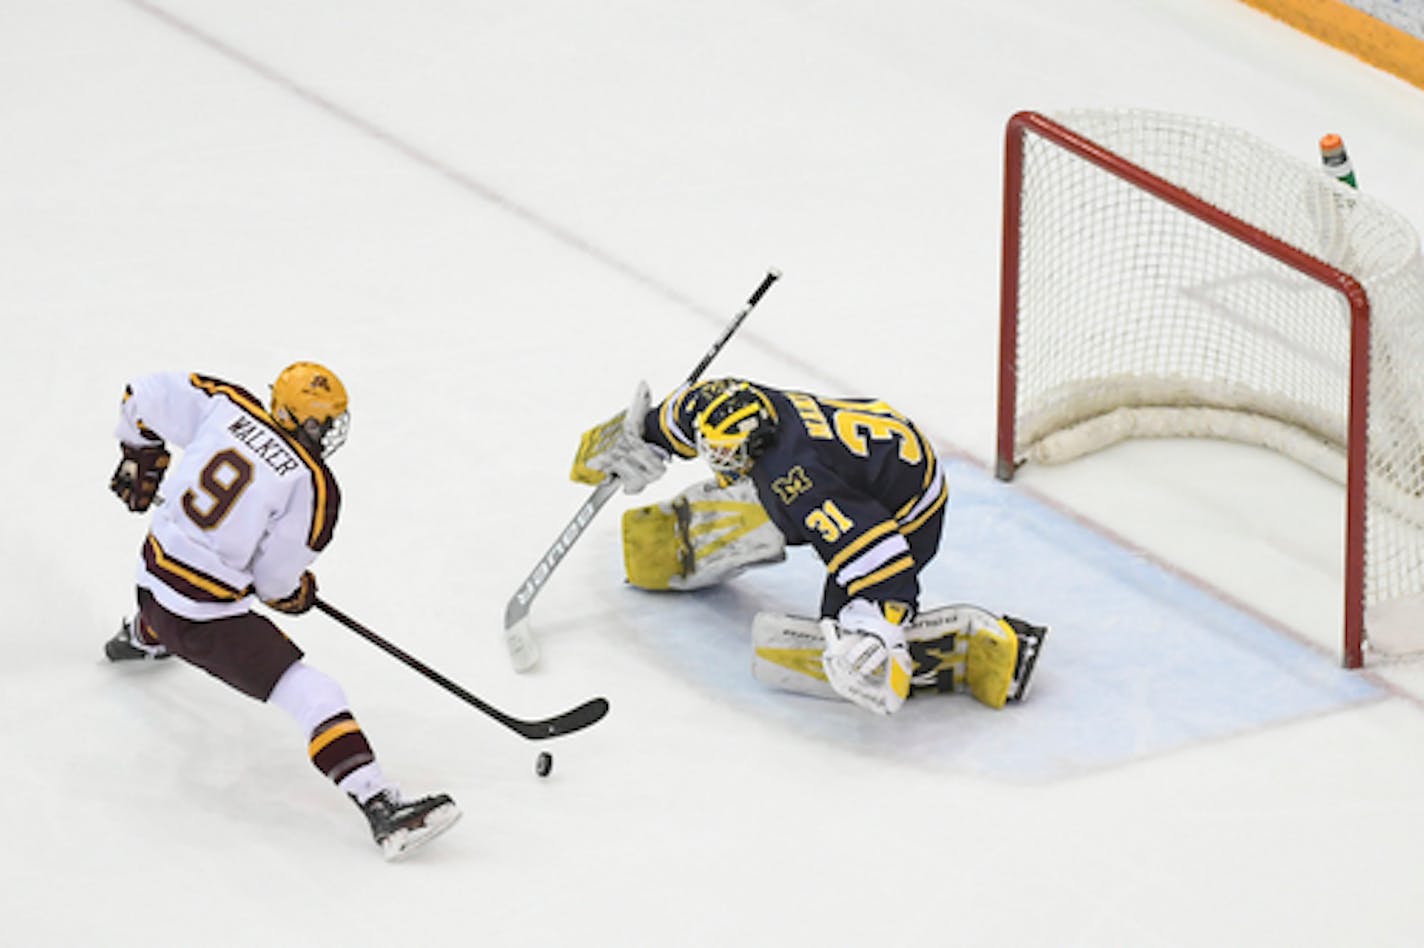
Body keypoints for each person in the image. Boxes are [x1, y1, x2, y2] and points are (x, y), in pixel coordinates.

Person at [105, 363, 460, 860]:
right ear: (310, 423)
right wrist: (297, 593)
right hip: (201, 620)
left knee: (179, 589)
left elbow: (140, 394)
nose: (332, 431)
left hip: (148, 582)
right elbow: (274, 583)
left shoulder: (225, 403)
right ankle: (380, 803)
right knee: (313, 693)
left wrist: (138, 456)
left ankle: (142, 636)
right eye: (327, 421)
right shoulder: (312, 485)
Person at [571, 377, 1045, 716]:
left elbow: (879, 557)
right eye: (712, 450)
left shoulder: (800, 480)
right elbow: (681, 415)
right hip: (870, 458)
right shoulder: (729, 404)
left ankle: (941, 652)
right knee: (766, 494)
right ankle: (737, 525)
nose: (719, 462)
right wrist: (638, 436)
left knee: (846, 647)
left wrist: (875, 625)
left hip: (905, 514)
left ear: (756, 442)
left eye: (729, 455)